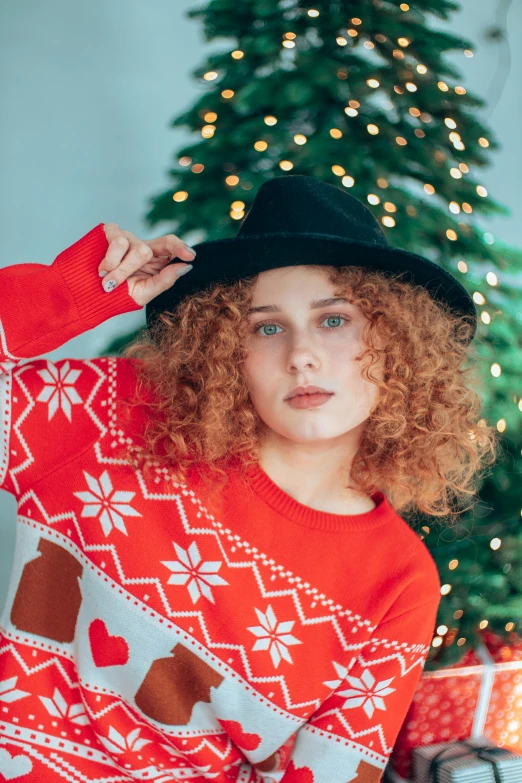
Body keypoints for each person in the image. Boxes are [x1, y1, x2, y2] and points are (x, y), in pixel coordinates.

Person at [0, 175, 499, 782]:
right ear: (224, 349)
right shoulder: (112, 419)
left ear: (399, 341)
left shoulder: (399, 579)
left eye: (334, 319)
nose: (300, 354)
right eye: (266, 326)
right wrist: (71, 293)